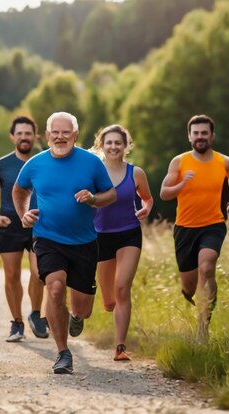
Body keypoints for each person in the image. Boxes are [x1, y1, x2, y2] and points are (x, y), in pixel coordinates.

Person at [12, 112, 116, 375]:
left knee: (82, 307)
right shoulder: (35, 164)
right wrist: (23, 213)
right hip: (48, 237)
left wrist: (93, 199)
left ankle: (77, 316)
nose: (60, 137)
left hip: (84, 242)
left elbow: (111, 194)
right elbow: (19, 190)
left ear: (75, 135)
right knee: (55, 287)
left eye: (65, 132)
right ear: (47, 136)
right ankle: (62, 353)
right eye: (55, 132)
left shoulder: (91, 163)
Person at [159, 114, 229, 341]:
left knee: (207, 267)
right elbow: (164, 194)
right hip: (185, 228)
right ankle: (192, 297)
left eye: (204, 133)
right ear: (189, 136)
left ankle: (203, 328)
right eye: (196, 133)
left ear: (212, 136)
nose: (200, 137)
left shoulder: (224, 162)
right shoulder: (179, 162)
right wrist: (182, 183)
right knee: (189, 287)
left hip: (213, 224)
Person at [0, 116, 48, 342]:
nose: (24, 137)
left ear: (35, 136)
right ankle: (17, 323)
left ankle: (36, 315)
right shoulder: (2, 164)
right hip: (9, 224)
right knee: (12, 275)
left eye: (28, 133)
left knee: (39, 274)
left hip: (38, 223)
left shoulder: (43, 162)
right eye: (19, 133)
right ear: (13, 137)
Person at [91, 125, 153, 361]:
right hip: (100, 236)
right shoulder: (94, 172)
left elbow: (147, 198)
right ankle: (110, 307)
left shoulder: (136, 173)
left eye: (119, 142)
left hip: (129, 233)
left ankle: (120, 347)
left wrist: (146, 209)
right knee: (109, 301)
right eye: (109, 143)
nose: (114, 147)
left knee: (122, 287)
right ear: (102, 145)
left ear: (126, 146)